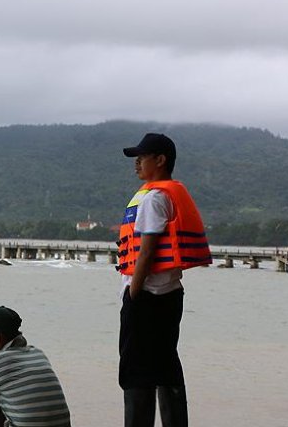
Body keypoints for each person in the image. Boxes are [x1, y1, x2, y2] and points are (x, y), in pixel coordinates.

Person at [117, 133, 212, 427]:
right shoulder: (165, 194)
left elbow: (147, 251)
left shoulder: (154, 198)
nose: (136, 163)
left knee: (135, 370)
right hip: (170, 294)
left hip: (146, 295)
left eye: (142, 157)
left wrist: (133, 291)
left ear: (160, 160)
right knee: (165, 364)